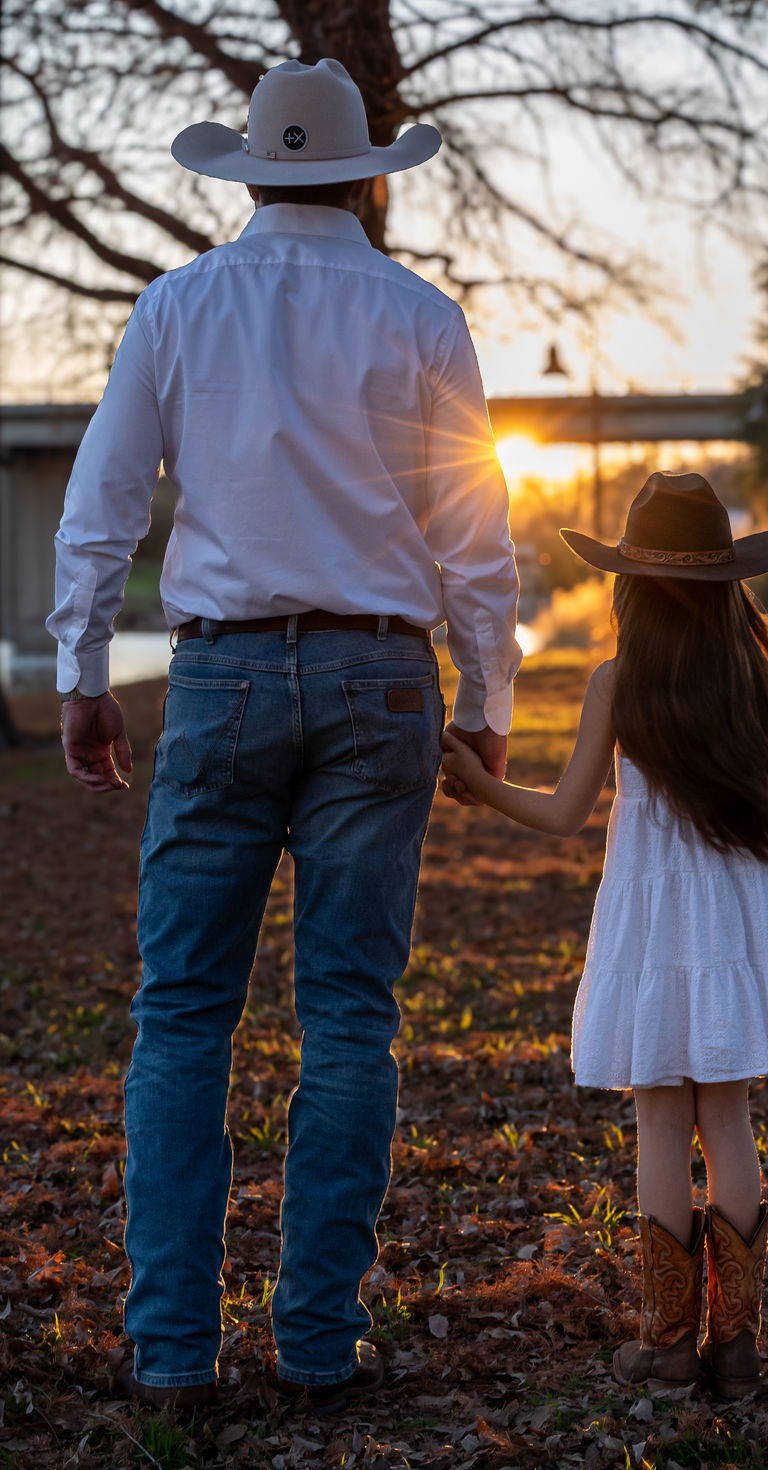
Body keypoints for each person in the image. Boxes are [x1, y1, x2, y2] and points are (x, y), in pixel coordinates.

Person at [46, 59, 521, 1412]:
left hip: (225, 679)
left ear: (250, 175)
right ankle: (316, 1343)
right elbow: (473, 537)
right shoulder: (423, 316)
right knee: (351, 1020)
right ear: (369, 177)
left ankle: (175, 1352)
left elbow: (105, 501)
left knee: (186, 1010)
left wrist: (85, 672)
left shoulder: (180, 306)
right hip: (382, 686)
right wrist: (484, 704)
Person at [442, 470, 768, 1400]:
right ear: (725, 583)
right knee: (727, 1116)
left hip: (656, 914)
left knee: (661, 1115)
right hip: (738, 906)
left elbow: (569, 812)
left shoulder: (620, 679)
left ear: (628, 583)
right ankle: (736, 1349)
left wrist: (480, 784)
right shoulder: (753, 671)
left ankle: (665, 1345)